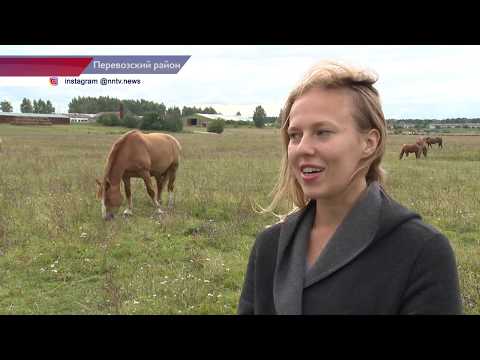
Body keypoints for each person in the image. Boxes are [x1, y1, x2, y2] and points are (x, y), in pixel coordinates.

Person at [237, 60, 462, 315]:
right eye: (295, 135)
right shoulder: (270, 247)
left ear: (369, 143)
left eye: (322, 132)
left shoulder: (421, 251)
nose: (302, 148)